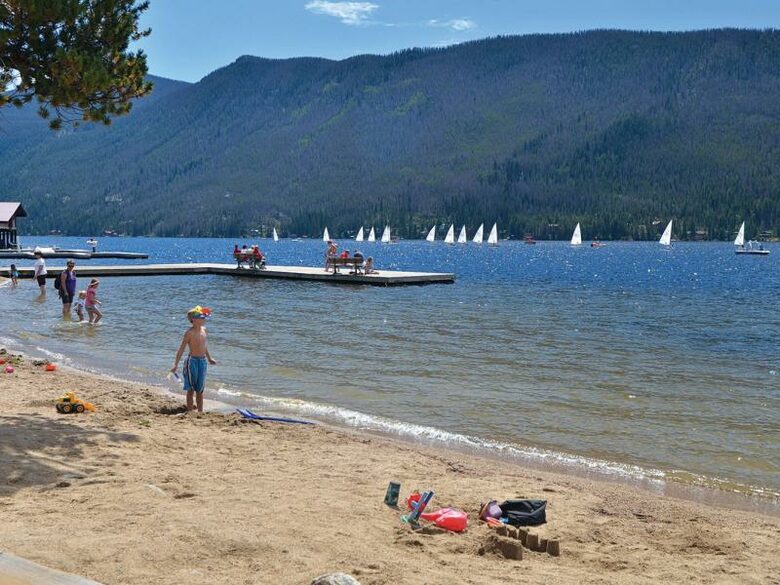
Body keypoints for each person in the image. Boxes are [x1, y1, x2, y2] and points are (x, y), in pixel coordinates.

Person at [171, 306, 217, 413]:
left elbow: (204, 346)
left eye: (204, 317)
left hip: (202, 361)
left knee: (200, 389)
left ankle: (200, 412)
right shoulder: (189, 333)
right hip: (192, 362)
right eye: (202, 318)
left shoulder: (204, 330)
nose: (204, 319)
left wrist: (209, 358)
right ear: (194, 320)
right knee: (190, 389)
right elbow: (181, 349)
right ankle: (190, 412)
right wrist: (175, 364)